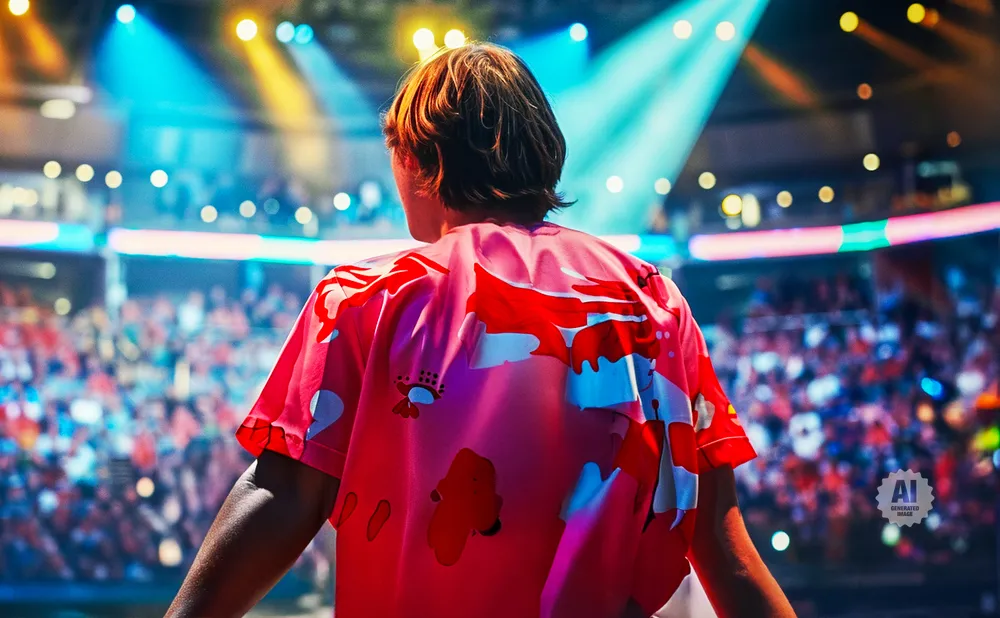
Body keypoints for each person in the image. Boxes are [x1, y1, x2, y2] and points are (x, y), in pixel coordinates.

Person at [166, 43, 794, 618]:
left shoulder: (364, 297)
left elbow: (282, 491)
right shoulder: (651, 300)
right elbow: (720, 540)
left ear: (420, 159)